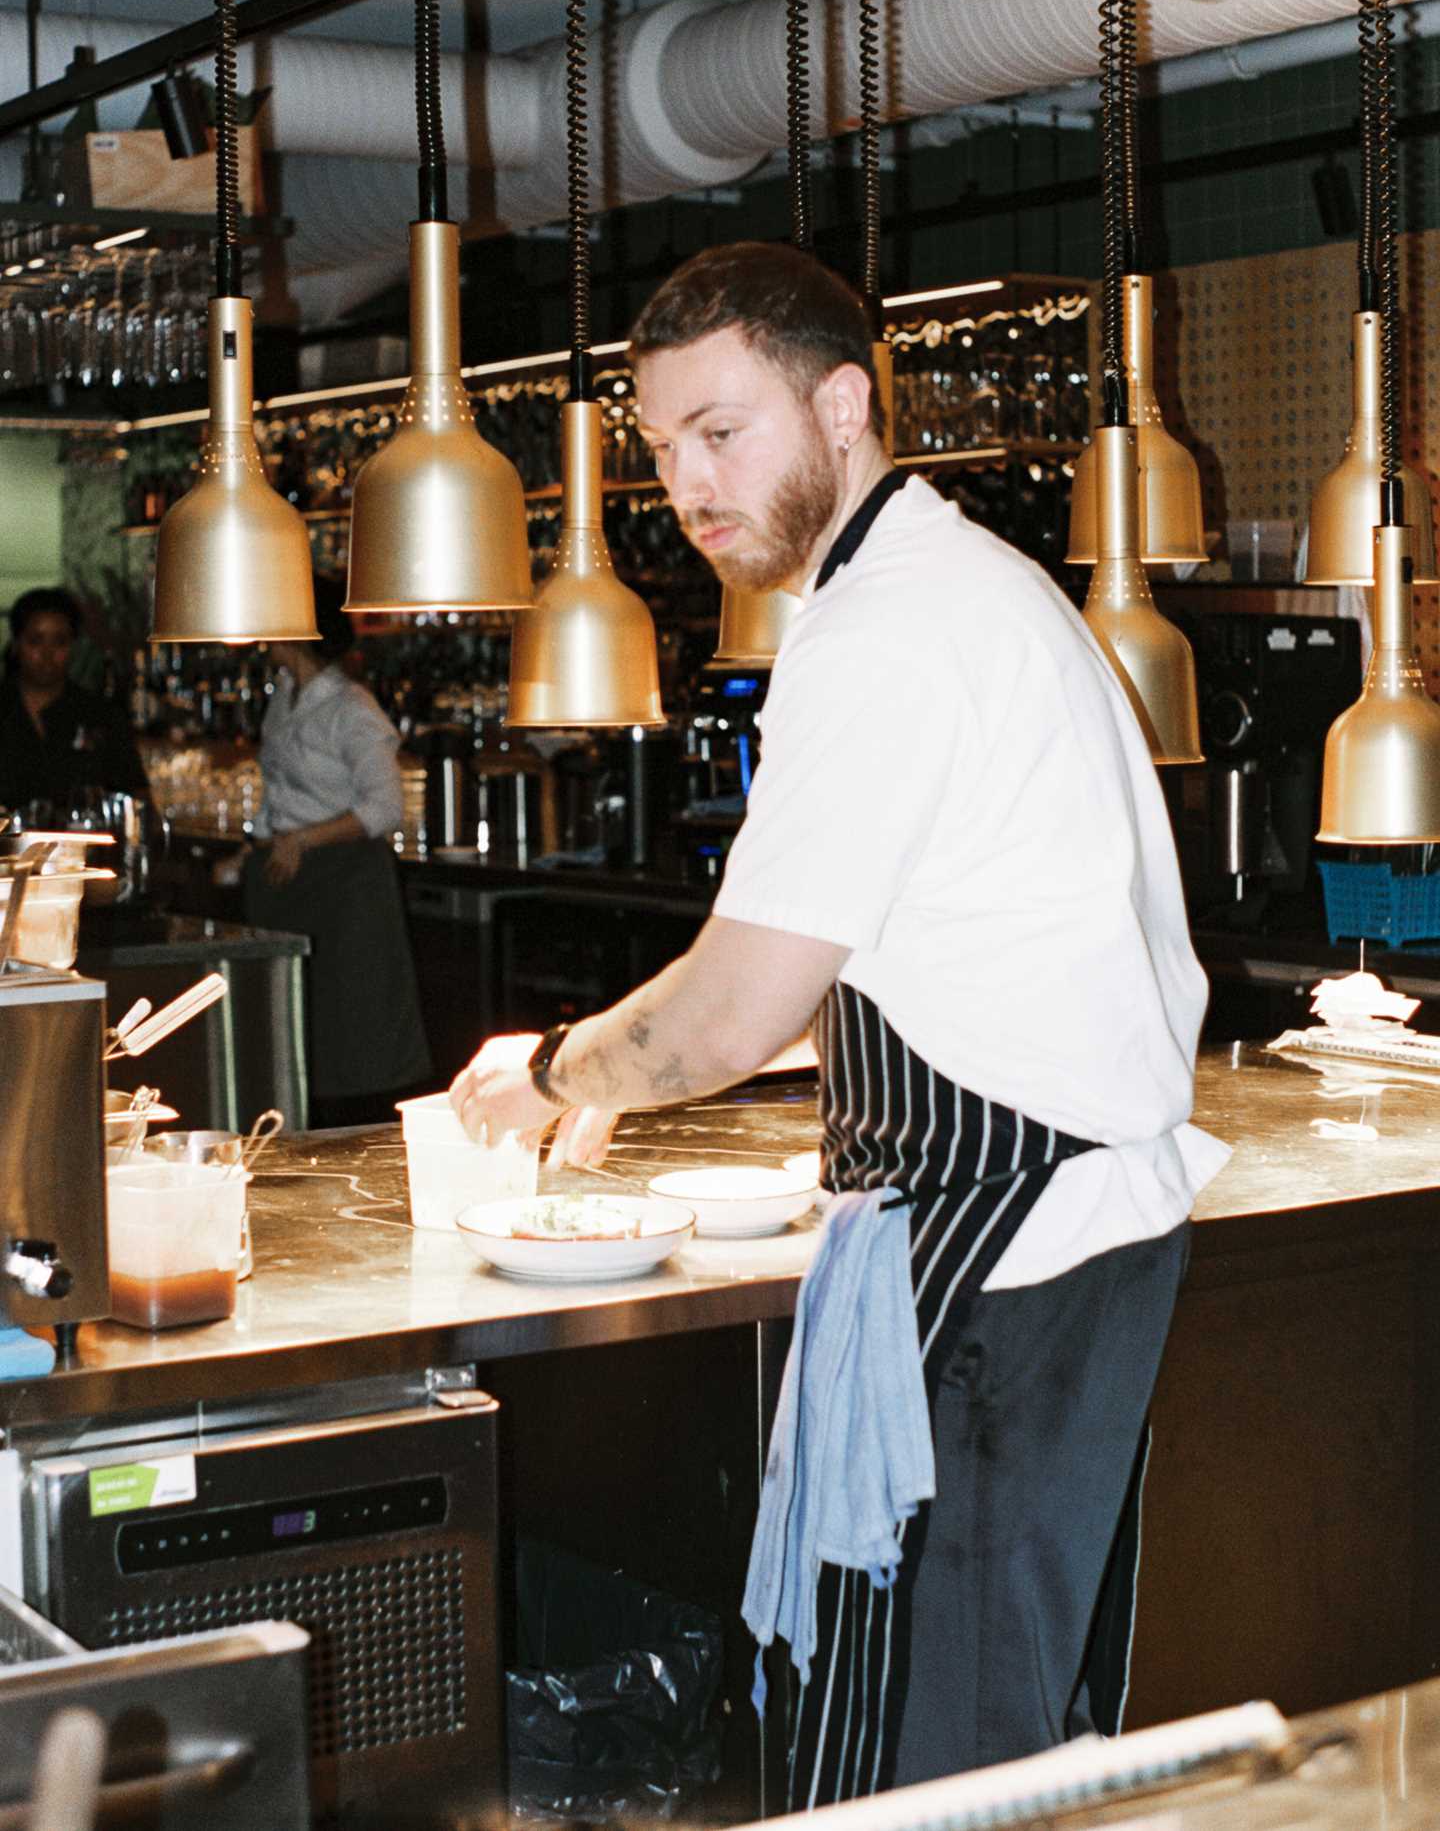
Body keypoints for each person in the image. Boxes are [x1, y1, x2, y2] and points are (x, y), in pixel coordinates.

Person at [449, 243, 1228, 1802]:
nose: (684, 477)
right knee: (1011, 1731)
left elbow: (728, 1011)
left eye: (721, 430)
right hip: (1066, 1248)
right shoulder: (957, 587)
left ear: (845, 404)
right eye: (661, 442)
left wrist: (546, 1072)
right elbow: (932, 949)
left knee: (932, 1760)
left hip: (1008, 1267)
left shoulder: (883, 630)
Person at [221, 574, 430, 1126]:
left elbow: (385, 808)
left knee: (356, 1034)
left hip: (346, 882)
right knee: (294, 1032)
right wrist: (251, 847)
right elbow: (280, 794)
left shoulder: (352, 707)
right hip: (287, 878)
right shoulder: (283, 701)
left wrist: (301, 839)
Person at [0, 586, 150, 824]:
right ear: (17, 644)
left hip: (84, 853)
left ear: (73, 645)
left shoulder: (99, 715)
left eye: (59, 641)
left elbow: (137, 797)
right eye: (36, 641)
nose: (47, 654)